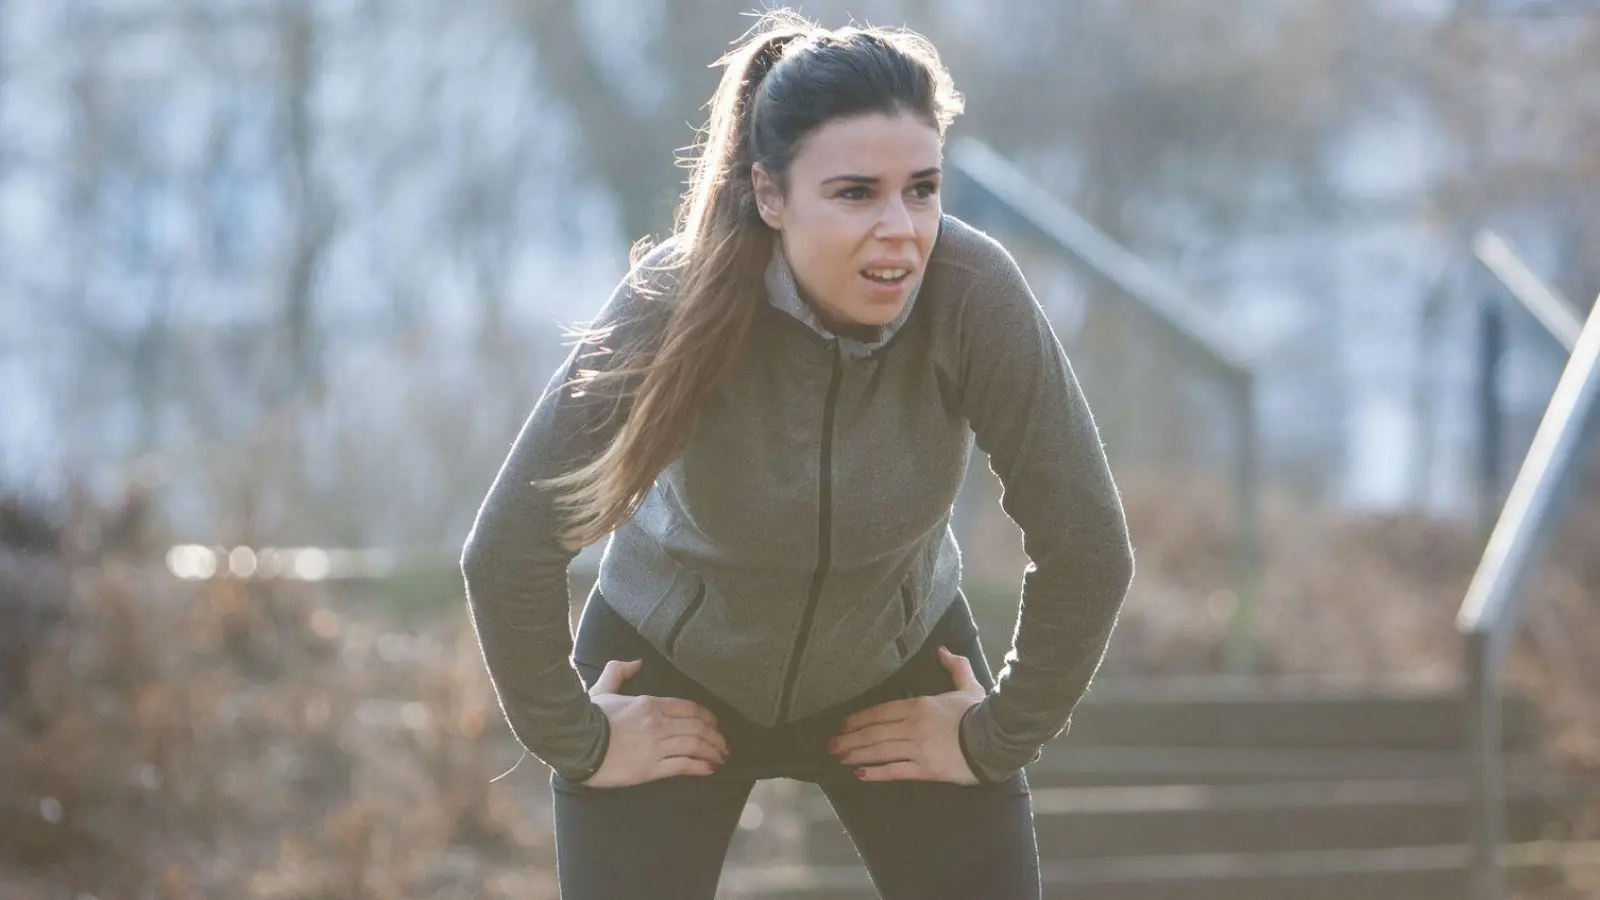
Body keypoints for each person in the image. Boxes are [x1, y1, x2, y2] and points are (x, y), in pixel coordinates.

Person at [460, 9, 1134, 899]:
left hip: (894, 664)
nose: (901, 227)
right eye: (856, 193)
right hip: (673, 673)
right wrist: (579, 740)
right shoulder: (674, 298)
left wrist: (994, 735)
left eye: (922, 189)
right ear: (770, 194)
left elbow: (1088, 546)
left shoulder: (973, 294)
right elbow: (508, 547)